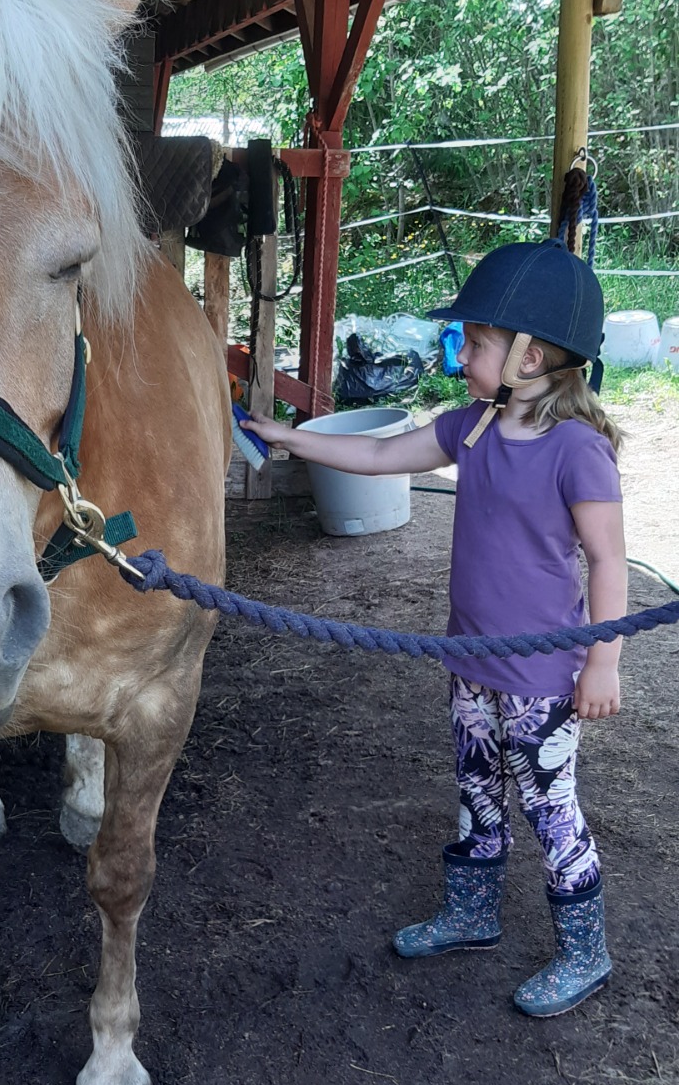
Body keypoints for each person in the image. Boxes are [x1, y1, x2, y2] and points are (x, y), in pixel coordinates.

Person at [244, 237, 626, 1017]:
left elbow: (609, 562)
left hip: (541, 678)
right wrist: (292, 437)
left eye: (475, 343)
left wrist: (602, 663)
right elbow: (382, 453)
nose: (461, 355)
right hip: (470, 663)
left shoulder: (577, 451)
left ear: (529, 357)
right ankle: (473, 913)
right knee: (477, 792)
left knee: (550, 809)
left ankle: (586, 952)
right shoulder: (473, 427)